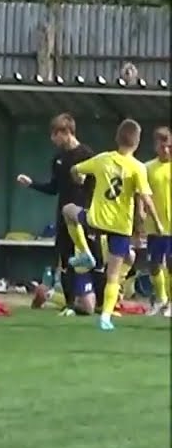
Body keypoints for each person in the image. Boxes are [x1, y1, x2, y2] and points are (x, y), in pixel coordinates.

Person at [64, 119, 162, 331]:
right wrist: (157, 224)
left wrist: (79, 177)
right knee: (113, 275)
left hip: (97, 220)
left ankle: (83, 251)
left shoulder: (102, 159)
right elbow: (146, 198)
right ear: (137, 143)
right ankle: (106, 317)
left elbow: (74, 169)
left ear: (117, 138)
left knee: (68, 211)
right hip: (120, 226)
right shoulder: (137, 167)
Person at [16, 114, 96, 315]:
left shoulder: (87, 154)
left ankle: (95, 299)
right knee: (66, 259)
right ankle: (69, 303)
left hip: (84, 217)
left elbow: (95, 187)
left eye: (56, 134)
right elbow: (54, 188)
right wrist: (32, 184)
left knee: (88, 259)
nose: (53, 139)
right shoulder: (58, 159)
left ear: (67, 132)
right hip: (63, 217)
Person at [144, 127, 172, 316]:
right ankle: (160, 299)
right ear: (156, 147)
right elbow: (142, 196)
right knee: (154, 264)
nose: (167, 150)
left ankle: (170, 302)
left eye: (169, 146)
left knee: (170, 264)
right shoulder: (147, 168)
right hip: (154, 225)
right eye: (163, 147)